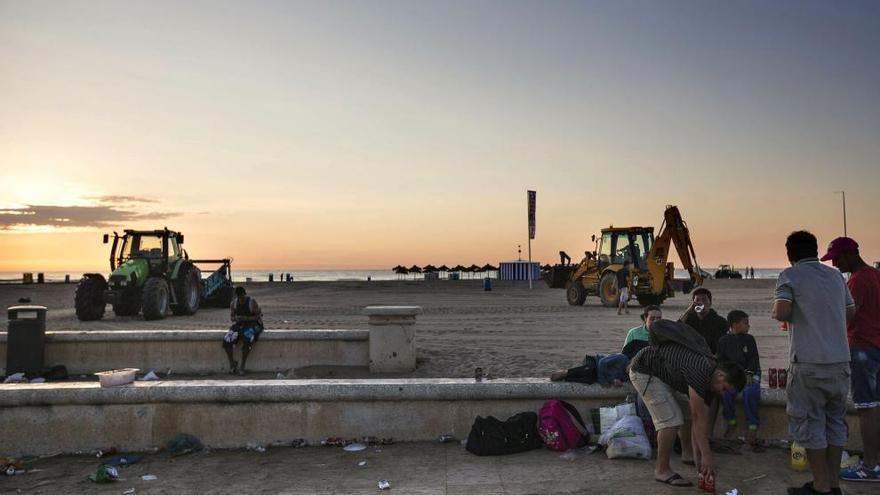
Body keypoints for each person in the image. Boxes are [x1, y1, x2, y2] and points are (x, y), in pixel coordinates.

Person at [773, 230, 855, 495]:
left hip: (808, 361)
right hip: (840, 361)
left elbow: (782, 311)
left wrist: (787, 313)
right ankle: (834, 483)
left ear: (790, 254)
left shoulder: (789, 275)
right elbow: (850, 311)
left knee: (809, 423)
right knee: (834, 422)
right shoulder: (835, 276)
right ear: (816, 250)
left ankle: (820, 486)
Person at [628, 319, 746, 487]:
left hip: (664, 374)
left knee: (688, 415)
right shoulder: (702, 371)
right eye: (725, 388)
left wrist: (701, 456)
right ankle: (661, 470)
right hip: (644, 370)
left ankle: (689, 455)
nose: (723, 393)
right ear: (720, 375)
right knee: (670, 421)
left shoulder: (711, 386)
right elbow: (699, 418)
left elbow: (700, 424)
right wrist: (707, 457)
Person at [821, 236, 880, 483]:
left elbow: (847, 318)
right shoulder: (876, 276)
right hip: (876, 346)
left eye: (836, 258)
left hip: (861, 348)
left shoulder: (857, 281)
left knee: (866, 408)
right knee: (876, 406)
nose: (834, 264)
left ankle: (869, 466)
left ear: (849, 254)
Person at [550, 305, 661, 385]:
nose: (656, 321)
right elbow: (624, 354)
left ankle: (566, 375)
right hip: (610, 363)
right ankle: (565, 373)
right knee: (589, 371)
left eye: (659, 318)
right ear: (645, 319)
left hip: (630, 370)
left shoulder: (664, 336)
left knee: (589, 378)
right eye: (652, 318)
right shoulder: (634, 333)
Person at [717, 310, 762, 449]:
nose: (748, 326)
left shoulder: (749, 339)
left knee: (750, 392)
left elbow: (754, 359)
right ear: (735, 325)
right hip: (733, 376)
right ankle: (731, 422)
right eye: (746, 323)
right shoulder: (723, 341)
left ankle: (752, 427)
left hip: (750, 374)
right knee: (726, 393)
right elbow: (721, 362)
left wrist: (748, 374)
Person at [223, 286, 264, 375]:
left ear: (244, 294)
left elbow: (258, 316)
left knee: (247, 340)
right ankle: (232, 364)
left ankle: (242, 366)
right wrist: (236, 318)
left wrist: (246, 318)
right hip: (240, 324)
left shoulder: (252, 302)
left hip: (252, 325)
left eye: (241, 297)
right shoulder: (233, 303)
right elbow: (232, 317)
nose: (240, 299)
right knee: (227, 340)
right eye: (239, 297)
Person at [680, 288, 729, 355]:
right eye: (697, 300)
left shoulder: (720, 322)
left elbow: (720, 347)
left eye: (704, 300)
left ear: (710, 303)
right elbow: (677, 328)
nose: (701, 303)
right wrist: (688, 311)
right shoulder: (689, 318)